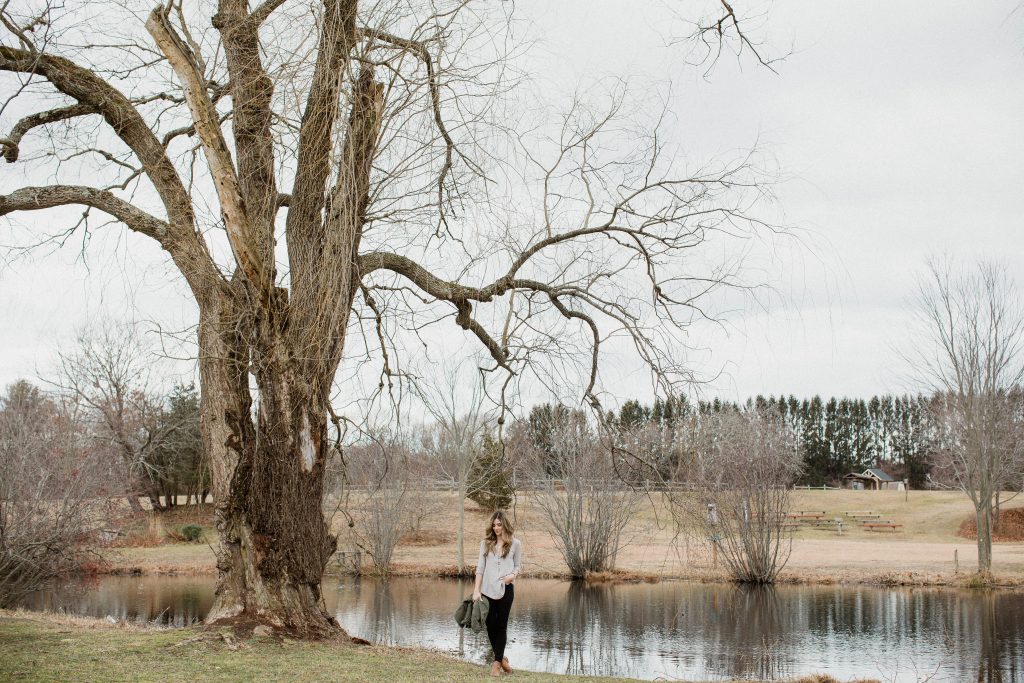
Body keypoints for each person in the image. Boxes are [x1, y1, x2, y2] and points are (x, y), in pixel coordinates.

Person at [473, 510, 523, 677]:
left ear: (505, 525)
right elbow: (480, 569)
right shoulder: (485, 544)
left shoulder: (515, 544)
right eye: (494, 525)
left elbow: (518, 566)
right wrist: (476, 591)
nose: (496, 528)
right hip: (487, 589)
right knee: (489, 624)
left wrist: (512, 576)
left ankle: (496, 664)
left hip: (506, 589)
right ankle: (502, 659)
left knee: (501, 626)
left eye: (499, 525)